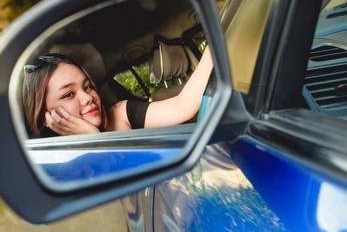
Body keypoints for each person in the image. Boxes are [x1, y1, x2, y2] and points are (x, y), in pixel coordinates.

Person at [22, 46, 213, 138]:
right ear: (45, 117)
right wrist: (91, 137)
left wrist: (217, 46)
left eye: (87, 86)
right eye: (68, 94)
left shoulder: (120, 113)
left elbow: (182, 107)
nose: (88, 97)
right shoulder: (53, 163)